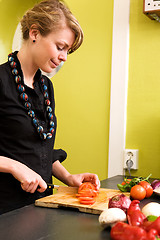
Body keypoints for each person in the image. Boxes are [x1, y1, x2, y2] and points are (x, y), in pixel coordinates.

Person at [0, 0, 100, 214]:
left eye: (67, 51)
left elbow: (39, 147)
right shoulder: (0, 81)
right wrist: (14, 167)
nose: (64, 56)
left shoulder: (46, 87)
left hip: (40, 206)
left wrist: (68, 177)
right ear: (34, 33)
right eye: (60, 47)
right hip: (5, 211)